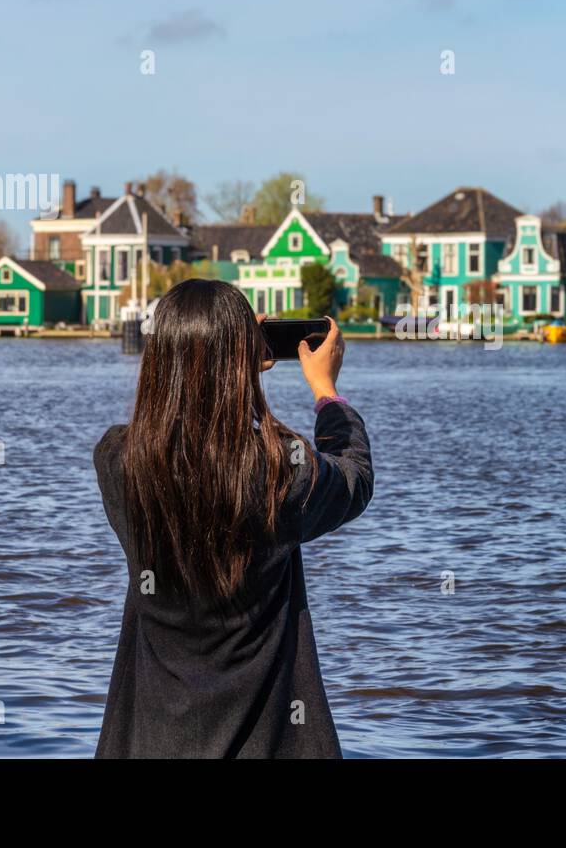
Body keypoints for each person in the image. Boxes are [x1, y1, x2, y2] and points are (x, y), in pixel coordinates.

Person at [92, 279, 372, 758]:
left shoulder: (119, 461)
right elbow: (354, 479)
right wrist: (326, 393)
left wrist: (230, 356)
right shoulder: (279, 471)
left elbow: (190, 441)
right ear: (243, 359)